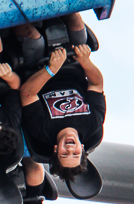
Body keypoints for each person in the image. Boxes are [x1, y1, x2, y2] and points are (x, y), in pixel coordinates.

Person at [19, 44, 105, 181]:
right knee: (74, 26)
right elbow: (96, 85)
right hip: (72, 64)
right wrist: (85, 61)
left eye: (64, 154)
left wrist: (52, 69)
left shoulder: (42, 131)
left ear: (56, 150)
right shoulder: (92, 124)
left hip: (37, 67)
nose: (70, 149)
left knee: (33, 38)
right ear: (82, 148)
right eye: (75, 154)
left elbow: (27, 94)